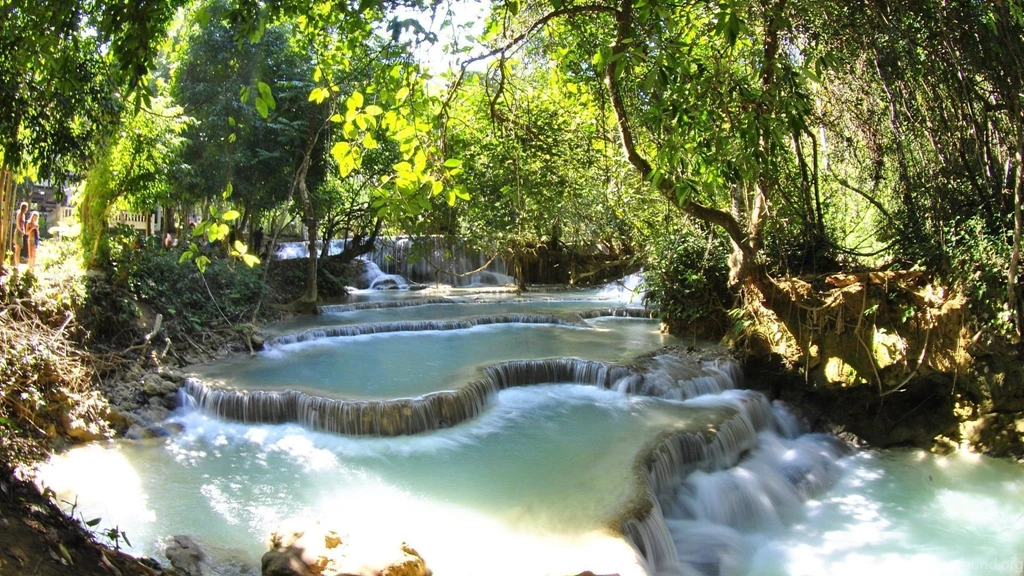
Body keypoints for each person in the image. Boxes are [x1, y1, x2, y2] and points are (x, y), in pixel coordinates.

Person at [12, 202, 27, 268]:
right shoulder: (19, 214)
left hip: (21, 232)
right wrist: (20, 231)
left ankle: (17, 263)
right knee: (17, 250)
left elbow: (23, 224)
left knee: (19, 249)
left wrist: (23, 230)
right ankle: (16, 264)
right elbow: (18, 224)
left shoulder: (24, 215)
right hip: (18, 232)